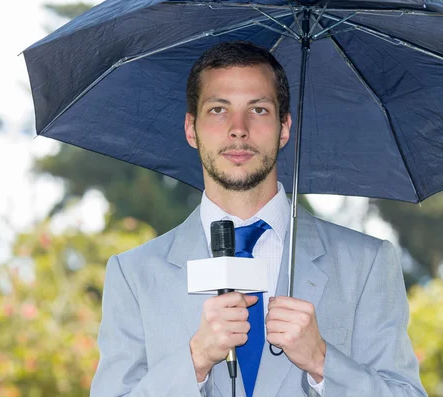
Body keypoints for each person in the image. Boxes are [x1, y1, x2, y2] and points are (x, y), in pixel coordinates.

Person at [89, 41, 426, 397]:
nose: (238, 128)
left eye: (259, 110)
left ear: (284, 128)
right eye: (218, 109)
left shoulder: (367, 264)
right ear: (191, 129)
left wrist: (323, 362)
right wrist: (196, 359)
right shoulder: (134, 274)